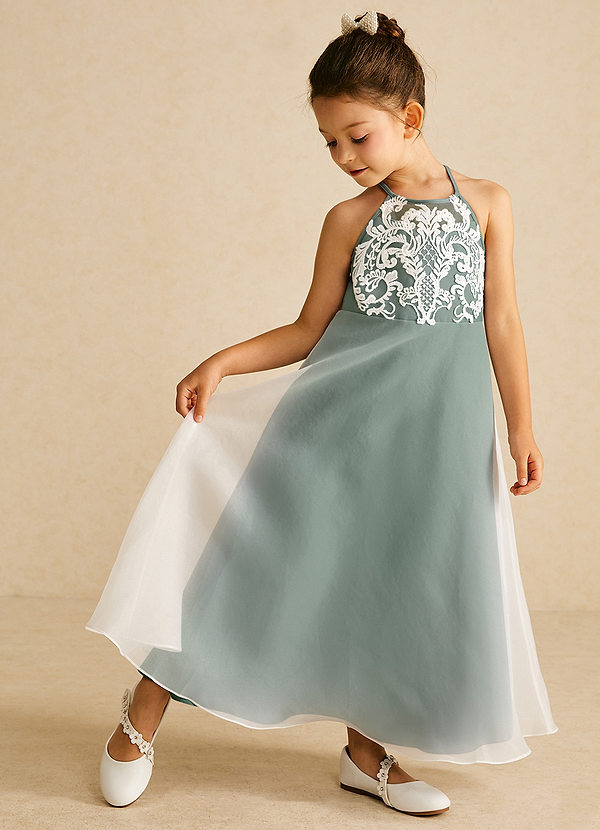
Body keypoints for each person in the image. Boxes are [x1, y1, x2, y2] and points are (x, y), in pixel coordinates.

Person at [85, 9, 558, 816]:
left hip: (438, 437)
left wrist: (520, 426)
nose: (342, 157)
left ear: (410, 118)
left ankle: (366, 756)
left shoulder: (488, 203)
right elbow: (309, 330)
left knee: (393, 585)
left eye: (355, 136)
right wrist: (222, 361)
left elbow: (503, 320)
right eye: (329, 142)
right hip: (335, 427)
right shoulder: (349, 220)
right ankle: (141, 715)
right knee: (250, 572)